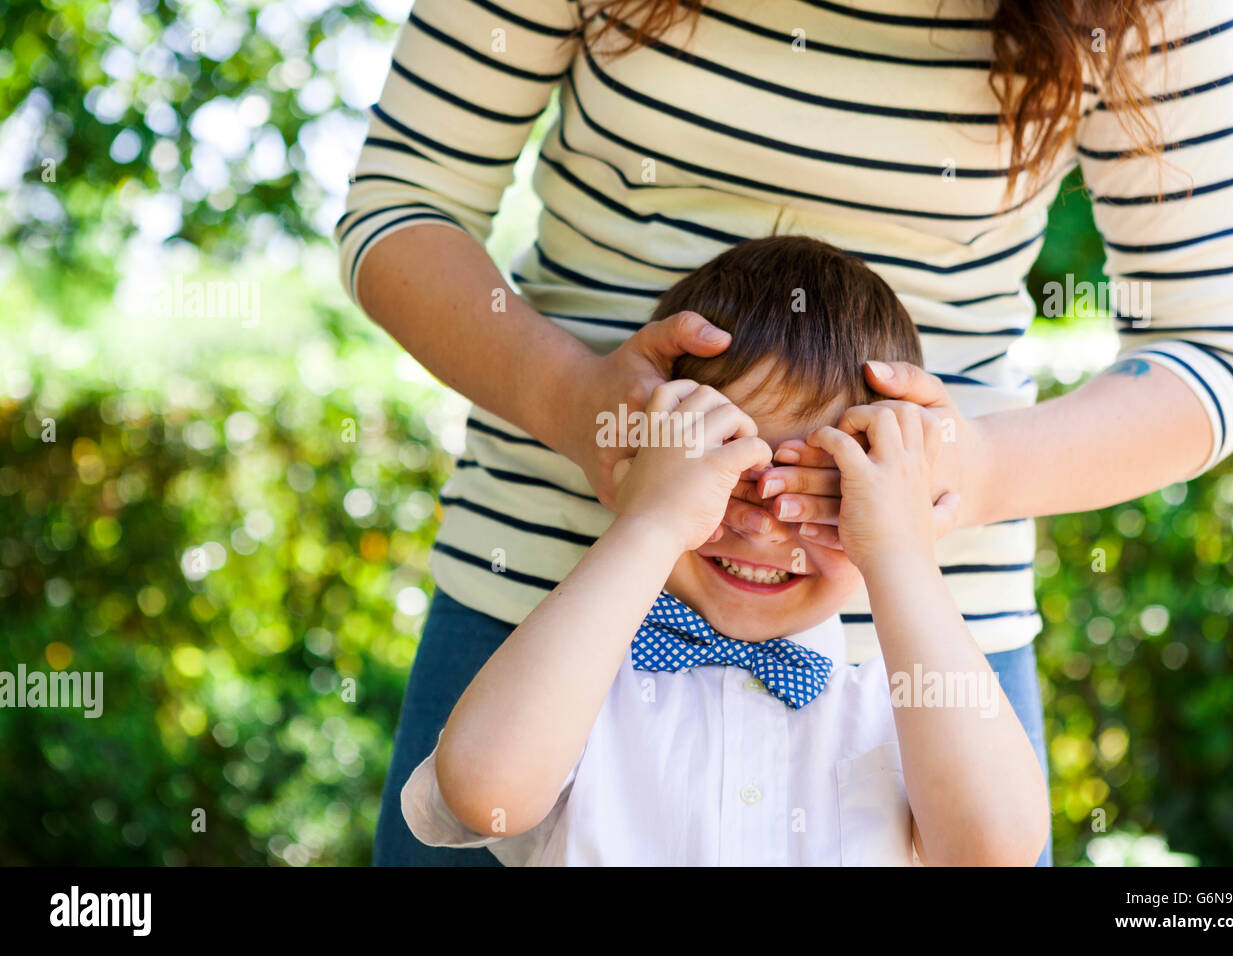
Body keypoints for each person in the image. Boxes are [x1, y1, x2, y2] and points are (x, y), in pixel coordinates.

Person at [337, 0, 1233, 866]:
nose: (761, 520)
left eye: (807, 479)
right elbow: (403, 202)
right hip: (544, 613)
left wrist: (956, 482)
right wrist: (584, 410)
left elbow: (1216, 345)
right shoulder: (550, 713)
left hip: (927, 662)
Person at [401, 235, 1049, 865]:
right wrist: (651, 523)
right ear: (643, 464)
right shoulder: (578, 675)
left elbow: (992, 851)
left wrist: (903, 553)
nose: (766, 528)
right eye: (726, 475)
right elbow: (484, 793)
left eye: (822, 492)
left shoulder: (903, 702)